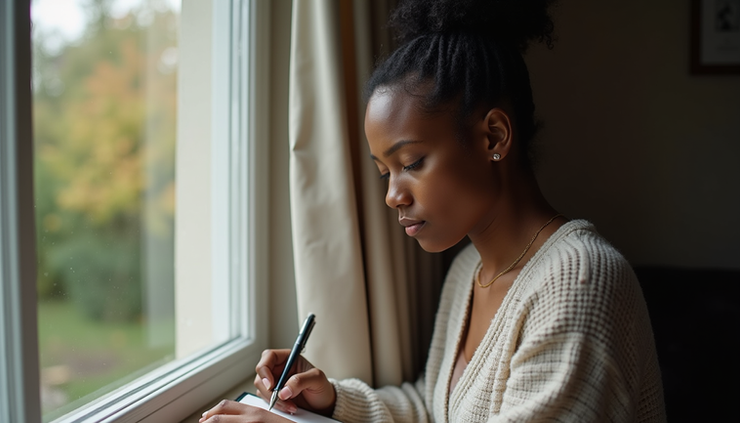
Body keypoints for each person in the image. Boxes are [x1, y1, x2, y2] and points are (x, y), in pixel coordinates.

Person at [200, 0, 666, 421]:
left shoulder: (580, 281)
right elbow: (434, 408)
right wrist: (334, 398)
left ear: (494, 137)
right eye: (386, 173)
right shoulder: (469, 270)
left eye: (412, 163)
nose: (392, 196)